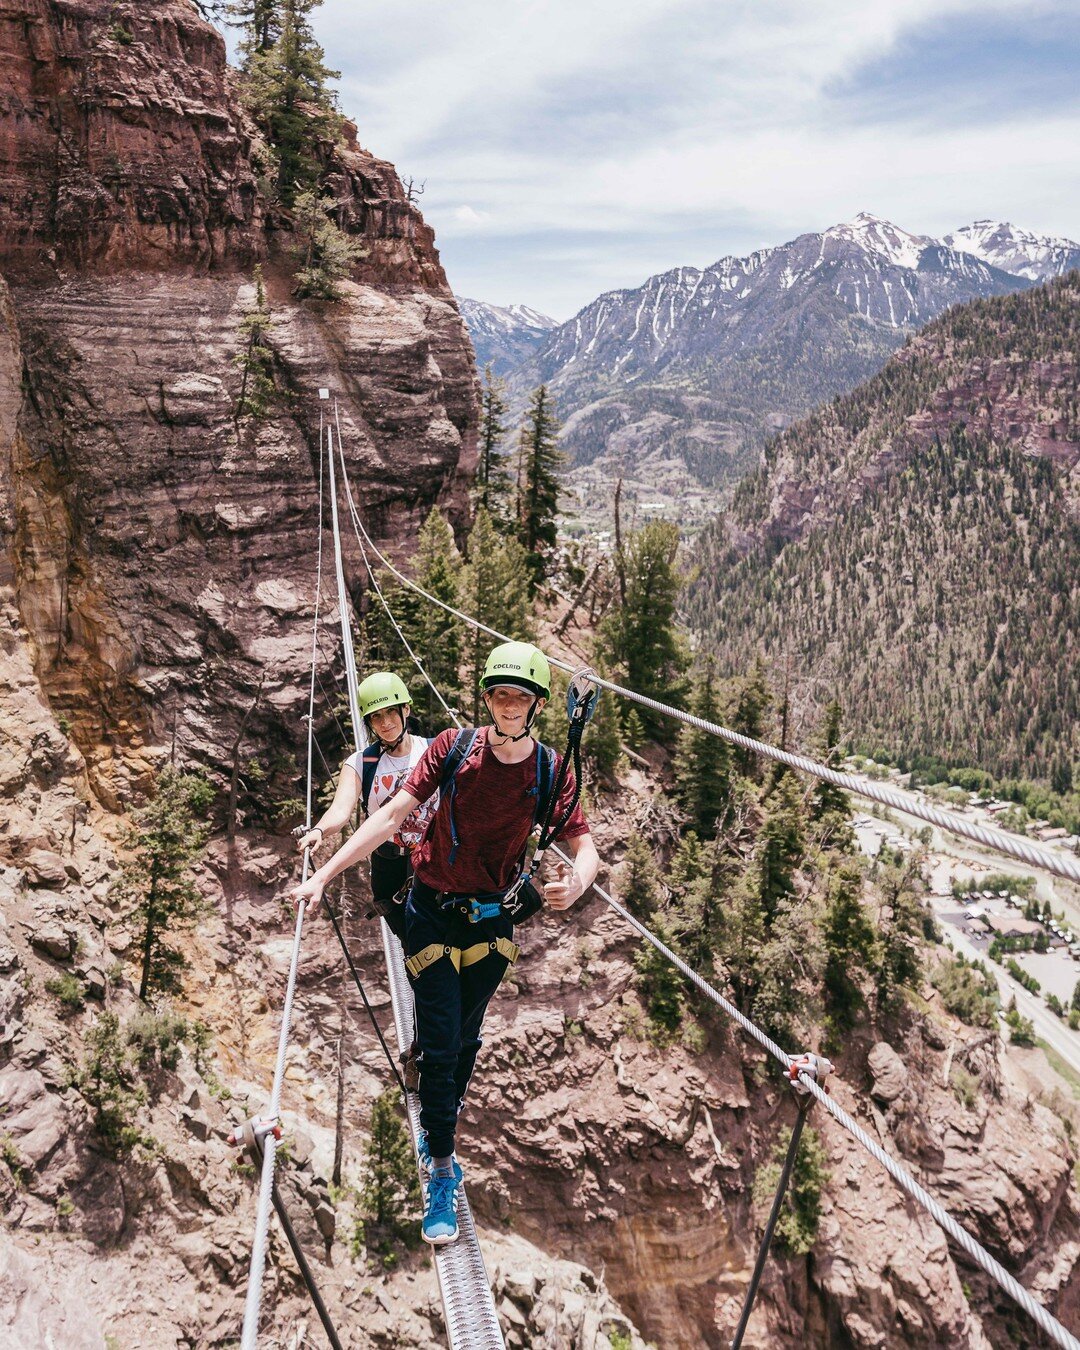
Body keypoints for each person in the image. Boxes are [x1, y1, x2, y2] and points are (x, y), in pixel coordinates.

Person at [292, 641, 600, 1246]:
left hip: (491, 922)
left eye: (521, 696)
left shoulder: (550, 771)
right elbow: (386, 817)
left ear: (537, 704)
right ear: (487, 697)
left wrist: (580, 883)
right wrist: (325, 875)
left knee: (464, 1037)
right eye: (500, 694)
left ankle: (437, 1115)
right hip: (431, 909)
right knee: (438, 1034)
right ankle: (439, 1168)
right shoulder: (452, 748)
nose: (509, 705)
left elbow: (584, 844)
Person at [294, 671, 438, 1085]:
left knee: (441, 958)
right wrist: (320, 831)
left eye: (392, 713)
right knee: (423, 959)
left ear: (406, 711)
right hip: (393, 872)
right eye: (377, 718)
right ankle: (424, 1051)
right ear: (369, 723)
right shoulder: (361, 763)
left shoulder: (433, 751)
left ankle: (432, 1044)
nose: (386, 723)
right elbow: (342, 811)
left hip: (434, 863)